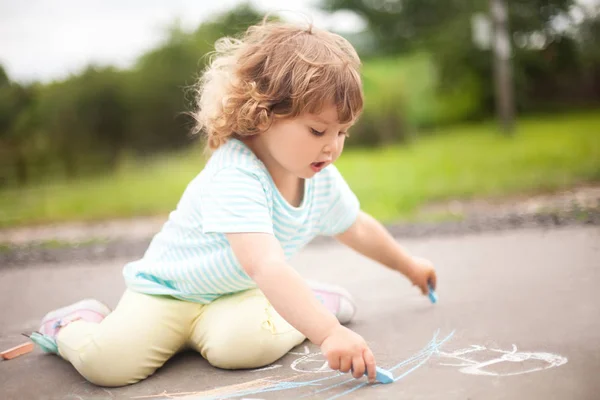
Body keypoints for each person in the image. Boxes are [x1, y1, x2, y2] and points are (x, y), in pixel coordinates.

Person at [29, 18, 437, 387]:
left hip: (234, 294)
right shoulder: (236, 173)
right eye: (317, 130)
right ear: (262, 114)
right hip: (168, 293)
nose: (332, 147)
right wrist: (328, 332)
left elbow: (356, 225)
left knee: (244, 349)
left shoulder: (318, 175)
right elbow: (265, 264)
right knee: (108, 365)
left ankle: (307, 303)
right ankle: (74, 323)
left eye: (342, 132)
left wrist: (408, 265)